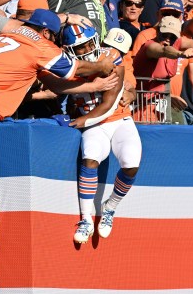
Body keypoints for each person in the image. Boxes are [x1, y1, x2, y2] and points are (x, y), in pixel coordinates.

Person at [60, 24, 142, 244]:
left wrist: (80, 121)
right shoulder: (65, 64)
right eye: (80, 46)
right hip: (94, 126)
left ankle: (110, 207)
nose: (87, 48)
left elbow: (108, 104)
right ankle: (86, 219)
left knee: (132, 163)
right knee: (90, 158)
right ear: (69, 49)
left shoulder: (112, 56)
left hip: (116, 118)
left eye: (88, 43)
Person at [0, 9, 115, 120]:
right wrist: (101, 66)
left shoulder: (12, 34)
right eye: (54, 36)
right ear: (46, 33)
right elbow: (76, 68)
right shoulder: (40, 46)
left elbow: (56, 85)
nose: (54, 41)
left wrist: (94, 87)